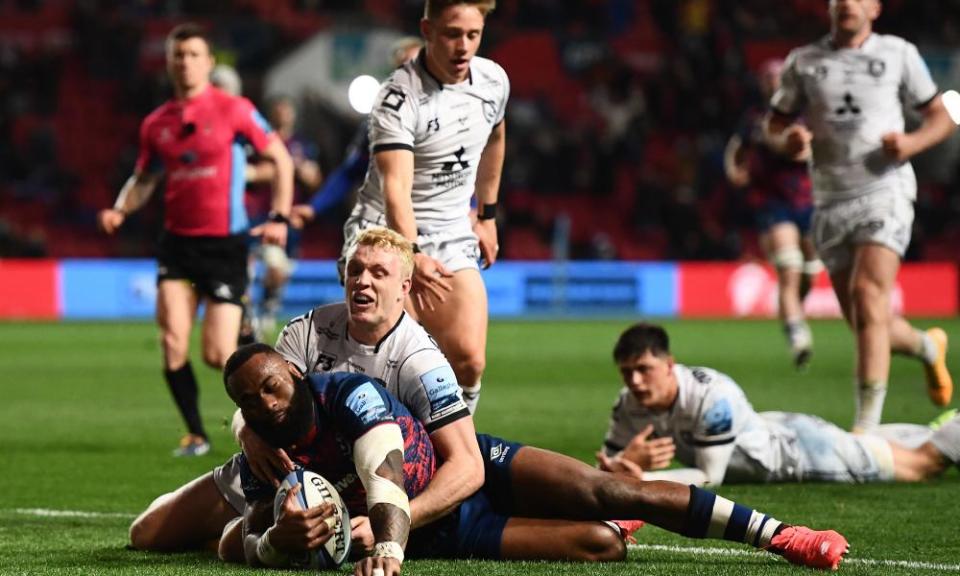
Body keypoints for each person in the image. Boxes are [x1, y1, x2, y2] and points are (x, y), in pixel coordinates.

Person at [224, 343, 850, 573]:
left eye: (272, 386)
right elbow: (235, 541)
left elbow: (383, 473)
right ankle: (614, 530)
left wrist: (386, 549)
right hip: (450, 531)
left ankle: (780, 536)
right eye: (249, 402)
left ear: (299, 373)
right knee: (603, 543)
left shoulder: (348, 394)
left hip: (469, 472)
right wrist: (278, 541)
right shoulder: (261, 450)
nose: (266, 405)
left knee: (614, 490)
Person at [127, 228, 483, 560]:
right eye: (356, 269)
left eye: (378, 273)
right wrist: (247, 434)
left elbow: (467, 465)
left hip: (364, 485)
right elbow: (259, 398)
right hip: (282, 468)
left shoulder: (421, 361)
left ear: (404, 287)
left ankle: (254, 538)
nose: (362, 281)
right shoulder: (307, 330)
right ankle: (240, 534)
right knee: (147, 534)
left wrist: (394, 522)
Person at [97, 23, 294, 456]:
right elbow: (145, 177)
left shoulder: (234, 109)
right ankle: (195, 434)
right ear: (170, 64)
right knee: (171, 340)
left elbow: (279, 157)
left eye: (192, 54)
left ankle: (266, 406)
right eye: (177, 55)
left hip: (224, 245)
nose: (184, 62)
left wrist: (279, 215)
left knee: (216, 354)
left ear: (208, 62)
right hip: (177, 244)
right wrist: (121, 207)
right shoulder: (156, 123)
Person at [764, 0, 956, 432]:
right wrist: (787, 142)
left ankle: (865, 432)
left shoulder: (898, 54)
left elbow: (941, 117)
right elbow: (772, 125)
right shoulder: (803, 62)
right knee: (867, 321)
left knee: (870, 296)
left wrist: (911, 144)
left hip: (884, 190)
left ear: (875, 8)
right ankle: (926, 346)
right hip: (831, 200)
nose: (846, 3)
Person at [341, 0, 509, 413]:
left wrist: (486, 215)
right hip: (384, 233)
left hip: (452, 231)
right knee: (398, 366)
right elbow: (396, 189)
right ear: (428, 30)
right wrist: (410, 256)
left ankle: (459, 457)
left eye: (473, 35)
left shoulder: (493, 80)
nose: (463, 46)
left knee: (469, 361)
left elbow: (496, 139)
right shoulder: (397, 98)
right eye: (452, 34)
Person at [597, 322, 960, 487]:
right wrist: (619, 465)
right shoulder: (629, 403)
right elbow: (608, 468)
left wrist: (642, 478)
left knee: (922, 466)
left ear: (670, 365)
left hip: (800, 454)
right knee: (874, 446)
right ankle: (933, 428)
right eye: (627, 373)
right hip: (775, 429)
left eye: (644, 370)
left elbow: (710, 477)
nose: (635, 382)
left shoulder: (712, 398)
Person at [725, 59, 820, 369]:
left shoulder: (808, 114)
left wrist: (795, 147)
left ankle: (794, 313)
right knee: (789, 269)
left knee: (810, 272)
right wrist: (734, 169)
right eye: (767, 78)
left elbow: (806, 151)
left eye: (777, 77)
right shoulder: (755, 118)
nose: (772, 82)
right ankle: (797, 336)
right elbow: (737, 147)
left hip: (811, 199)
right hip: (772, 201)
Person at [289, 37, 424, 230]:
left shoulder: (453, 111)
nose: (411, 73)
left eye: (417, 65)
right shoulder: (379, 122)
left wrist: (475, 210)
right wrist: (314, 208)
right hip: (393, 223)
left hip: (438, 225)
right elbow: (349, 172)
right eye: (403, 67)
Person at [243, 95, 324, 340]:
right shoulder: (259, 142)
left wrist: (306, 174)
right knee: (250, 267)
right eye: (278, 109)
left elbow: (315, 180)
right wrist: (282, 170)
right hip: (258, 215)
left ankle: (265, 310)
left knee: (278, 272)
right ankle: (247, 317)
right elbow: (248, 173)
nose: (283, 114)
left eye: (286, 109)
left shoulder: (302, 145)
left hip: (289, 219)